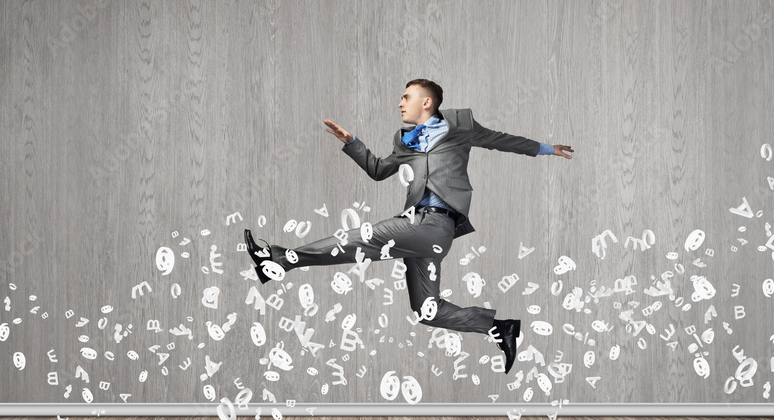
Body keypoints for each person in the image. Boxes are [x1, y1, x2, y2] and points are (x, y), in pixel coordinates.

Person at [244, 79, 574, 374]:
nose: (400, 103)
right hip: (418, 228)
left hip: (435, 225)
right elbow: (377, 169)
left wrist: (547, 149)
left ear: (426, 102)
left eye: (406, 97)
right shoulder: (405, 141)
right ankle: (499, 328)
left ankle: (282, 258)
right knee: (427, 310)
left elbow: (501, 140)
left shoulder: (461, 126)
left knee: (367, 238)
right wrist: (351, 142)